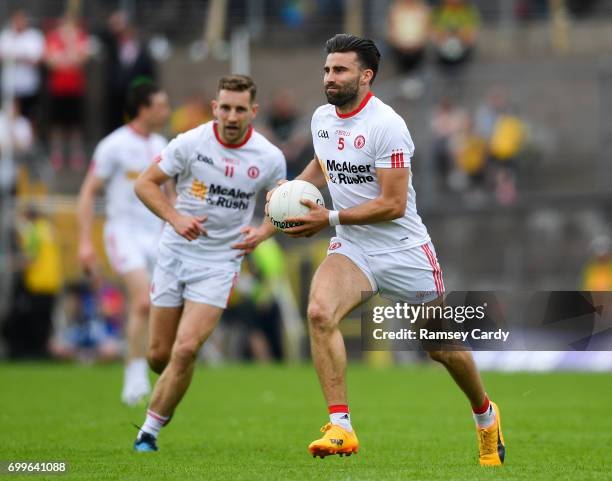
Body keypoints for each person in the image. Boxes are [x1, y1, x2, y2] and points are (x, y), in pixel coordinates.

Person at [270, 34, 505, 466]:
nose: (329, 77)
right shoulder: (322, 118)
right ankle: (340, 426)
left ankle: (486, 415)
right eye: (326, 69)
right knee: (320, 313)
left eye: (339, 70)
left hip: (403, 249)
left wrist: (330, 219)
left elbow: (393, 205)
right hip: (353, 249)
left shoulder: (388, 125)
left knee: (440, 348)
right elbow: (324, 163)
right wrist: (291, 196)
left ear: (366, 75)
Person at [132, 74, 286, 452]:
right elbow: (144, 184)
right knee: (159, 356)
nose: (231, 117)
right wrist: (175, 217)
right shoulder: (189, 143)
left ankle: (148, 433)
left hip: (222, 260)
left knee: (185, 350)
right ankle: (176, 380)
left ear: (253, 111)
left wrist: (263, 232)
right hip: (176, 252)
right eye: (225, 108)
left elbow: (282, 205)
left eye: (240, 109)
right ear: (215, 108)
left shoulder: (269, 158)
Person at [77, 81, 170, 405]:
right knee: (142, 301)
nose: (167, 111)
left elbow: (169, 192)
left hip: (156, 234)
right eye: (161, 104)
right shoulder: (113, 145)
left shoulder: (162, 144)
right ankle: (133, 375)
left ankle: (153, 365)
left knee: (162, 304)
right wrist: (85, 243)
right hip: (123, 232)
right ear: (144, 108)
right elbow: (89, 191)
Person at [44, 12, 90, 171]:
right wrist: (68, 59)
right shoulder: (53, 37)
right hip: (58, 88)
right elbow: (51, 62)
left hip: (75, 88)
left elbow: (81, 60)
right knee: (57, 124)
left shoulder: (80, 37)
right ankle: (57, 154)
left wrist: (68, 49)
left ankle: (76, 154)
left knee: (75, 125)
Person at [0, 9, 45, 124]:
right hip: (10, 85)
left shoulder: (34, 36)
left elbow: (38, 58)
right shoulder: (6, 36)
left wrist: (18, 58)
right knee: (9, 113)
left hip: (28, 85)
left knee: (29, 115)